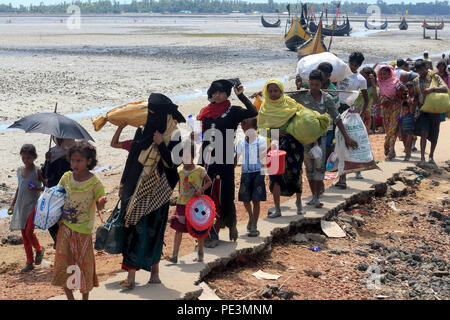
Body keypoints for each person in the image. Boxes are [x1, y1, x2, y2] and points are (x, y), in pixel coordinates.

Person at [119, 93, 185, 288]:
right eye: (150, 113)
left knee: (155, 232)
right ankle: (131, 277)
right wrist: (123, 185)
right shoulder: (143, 131)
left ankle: (155, 273)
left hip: (160, 191)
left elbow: (174, 164)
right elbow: (132, 160)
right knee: (132, 230)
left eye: (156, 114)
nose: (152, 117)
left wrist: (160, 144)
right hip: (138, 189)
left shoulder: (175, 135)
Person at [197, 79, 257, 248]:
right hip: (207, 157)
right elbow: (200, 134)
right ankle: (207, 231)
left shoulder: (234, 111)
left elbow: (253, 111)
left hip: (225, 157)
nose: (217, 95)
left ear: (227, 94)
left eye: (222, 92)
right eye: (214, 92)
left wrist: (241, 95)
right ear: (210, 94)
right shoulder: (205, 112)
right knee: (205, 193)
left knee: (223, 193)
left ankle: (225, 227)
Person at [292, 70, 357, 206]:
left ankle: (316, 196)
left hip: (321, 138)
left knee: (319, 166)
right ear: (308, 83)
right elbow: (285, 102)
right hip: (304, 138)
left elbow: (337, 117)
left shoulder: (327, 98)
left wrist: (346, 137)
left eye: (316, 84)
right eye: (311, 84)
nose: (314, 87)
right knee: (309, 167)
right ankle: (313, 196)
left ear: (322, 84)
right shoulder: (302, 96)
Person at [51, 141, 107, 300]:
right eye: (73, 160)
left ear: (88, 161)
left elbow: (100, 201)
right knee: (63, 265)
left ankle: (84, 298)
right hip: (65, 228)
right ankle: (70, 298)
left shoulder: (94, 182)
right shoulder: (66, 177)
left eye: (79, 161)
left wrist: (102, 201)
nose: (75, 164)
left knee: (84, 267)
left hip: (83, 231)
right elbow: (57, 196)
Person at [257, 79, 305, 217]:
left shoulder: (290, 103)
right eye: (270, 91)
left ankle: (299, 202)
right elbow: (260, 128)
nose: (273, 93)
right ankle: (277, 208)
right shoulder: (265, 107)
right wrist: (273, 132)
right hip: (275, 144)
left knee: (296, 173)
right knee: (275, 176)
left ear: (281, 91)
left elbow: (301, 117)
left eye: (275, 91)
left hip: (294, 144)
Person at [168, 142, 212, 263]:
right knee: (178, 228)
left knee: (199, 229)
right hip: (182, 204)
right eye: (183, 157)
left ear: (193, 157)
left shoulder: (200, 170)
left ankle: (200, 253)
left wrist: (202, 189)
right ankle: (175, 255)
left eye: (188, 157)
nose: (185, 160)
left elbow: (209, 182)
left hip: (196, 205)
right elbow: (179, 186)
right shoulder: (179, 171)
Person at [9, 144, 45, 273]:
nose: (26, 160)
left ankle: (39, 250)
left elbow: (46, 187)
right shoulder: (20, 170)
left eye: (29, 158)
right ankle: (29, 262)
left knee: (29, 232)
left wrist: (36, 188)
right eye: (23, 157)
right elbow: (19, 188)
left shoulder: (38, 171)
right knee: (24, 235)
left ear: (34, 157)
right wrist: (12, 204)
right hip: (21, 205)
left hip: (34, 205)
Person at [335, 51, 369, 186]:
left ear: (359, 65)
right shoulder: (340, 74)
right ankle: (343, 172)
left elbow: (366, 99)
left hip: (349, 111)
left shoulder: (361, 79)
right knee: (337, 141)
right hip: (336, 109)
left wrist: (360, 113)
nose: (352, 67)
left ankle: (343, 178)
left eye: (355, 65)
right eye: (351, 64)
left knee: (344, 141)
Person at [235, 117, 267, 236]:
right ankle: (251, 216)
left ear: (256, 128)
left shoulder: (261, 140)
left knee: (256, 200)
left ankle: (254, 224)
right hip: (245, 172)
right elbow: (236, 159)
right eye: (244, 128)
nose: (246, 130)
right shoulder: (241, 143)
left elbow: (262, 155)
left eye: (249, 128)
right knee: (245, 199)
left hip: (258, 172)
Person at [413, 59, 448, 164]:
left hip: (435, 110)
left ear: (426, 68)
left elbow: (445, 88)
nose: (421, 72)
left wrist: (432, 89)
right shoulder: (415, 81)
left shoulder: (435, 77)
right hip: (423, 110)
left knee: (434, 134)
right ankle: (423, 157)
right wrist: (414, 111)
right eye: (418, 70)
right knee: (424, 133)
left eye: (422, 69)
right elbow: (416, 96)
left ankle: (431, 156)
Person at [42, 137, 74, 248]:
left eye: (62, 138)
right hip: (53, 191)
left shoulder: (73, 153)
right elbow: (45, 173)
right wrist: (47, 160)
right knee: (50, 219)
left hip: (67, 192)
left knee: (65, 220)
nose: (60, 140)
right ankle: (57, 239)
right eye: (57, 138)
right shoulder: (52, 152)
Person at [377, 65, 403, 161]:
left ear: (389, 73)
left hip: (395, 107)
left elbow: (403, 93)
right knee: (388, 129)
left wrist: (396, 96)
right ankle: (388, 147)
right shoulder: (379, 82)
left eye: (385, 74)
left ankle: (390, 149)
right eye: (381, 74)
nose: (383, 76)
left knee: (392, 129)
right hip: (385, 108)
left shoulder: (396, 82)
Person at [356, 67, 380, 133]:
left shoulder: (374, 88)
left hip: (365, 113)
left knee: (363, 134)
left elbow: (376, 100)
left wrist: (373, 84)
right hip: (355, 111)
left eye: (362, 77)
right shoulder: (360, 86)